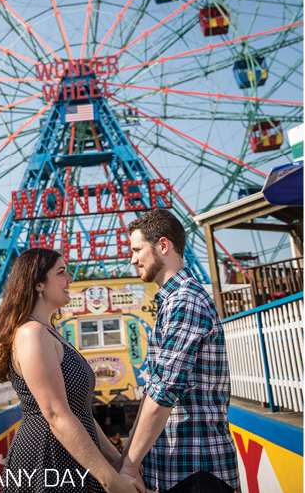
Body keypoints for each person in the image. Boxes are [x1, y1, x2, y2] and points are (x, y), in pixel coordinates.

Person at [0, 248, 142, 493]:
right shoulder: (31, 334)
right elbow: (56, 414)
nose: (70, 279)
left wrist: (117, 462)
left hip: (76, 456)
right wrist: (111, 482)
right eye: (61, 273)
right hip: (48, 459)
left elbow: (81, 413)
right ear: (38, 284)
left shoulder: (50, 333)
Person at [118, 208, 240, 493]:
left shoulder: (185, 301)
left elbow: (164, 391)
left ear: (163, 246)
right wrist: (127, 459)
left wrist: (128, 465)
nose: (133, 258)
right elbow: (154, 391)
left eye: (138, 250)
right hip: (178, 470)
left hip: (196, 471)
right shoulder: (172, 302)